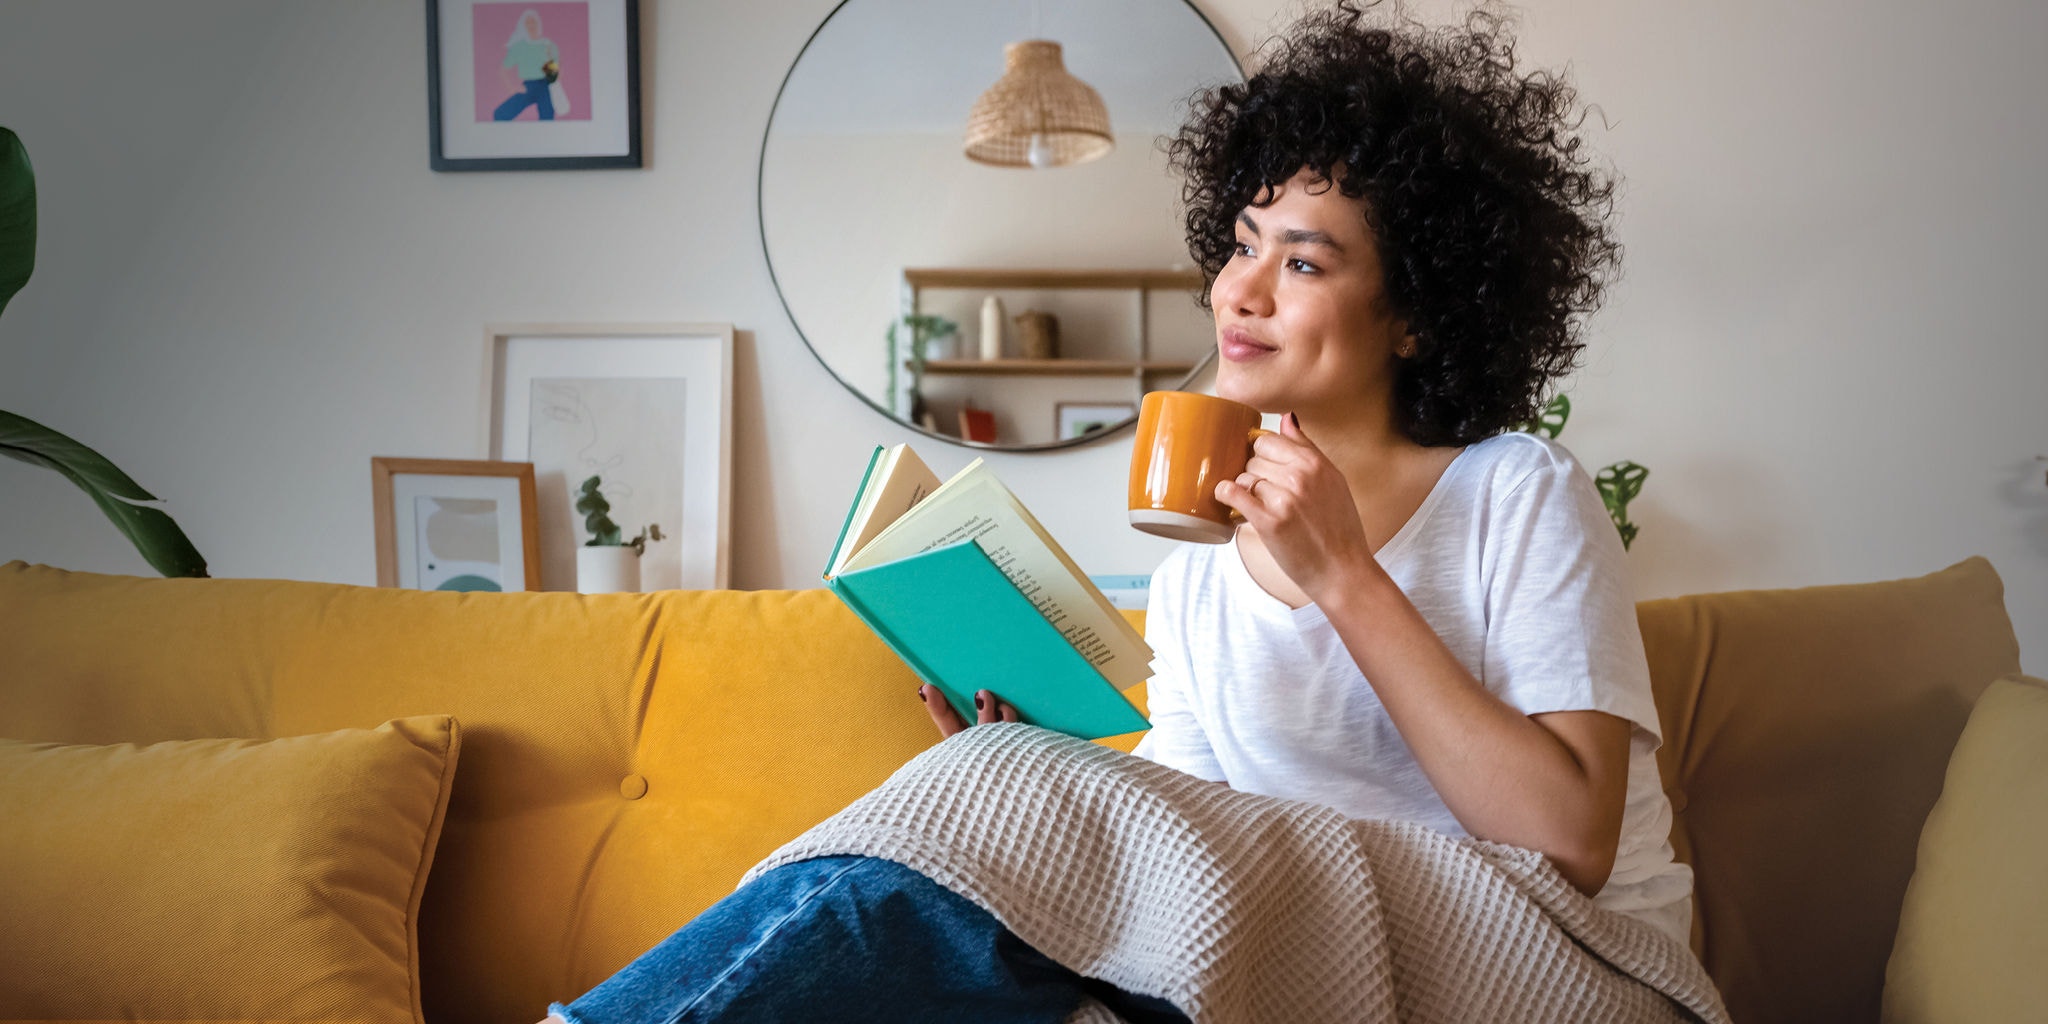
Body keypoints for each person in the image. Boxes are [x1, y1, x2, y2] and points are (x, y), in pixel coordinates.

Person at [544, 2, 1689, 1020]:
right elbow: (1189, 865)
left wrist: (1344, 575)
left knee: (995, 822)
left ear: (1417, 314)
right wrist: (1035, 769)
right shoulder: (1202, 559)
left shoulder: (1514, 491)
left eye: (1301, 263)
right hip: (1316, 961)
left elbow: (1566, 843)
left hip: (1559, 965)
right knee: (992, 864)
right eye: (1241, 247)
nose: (1236, 290)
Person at [494, 9, 561, 122]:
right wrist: (512, 88)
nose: (531, 25)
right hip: (528, 87)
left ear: (538, 23)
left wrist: (549, 57)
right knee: (500, 115)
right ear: (523, 26)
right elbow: (503, 70)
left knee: (547, 120)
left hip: (544, 86)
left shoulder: (548, 45)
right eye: (528, 22)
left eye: (533, 22)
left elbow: (553, 77)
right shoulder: (519, 47)